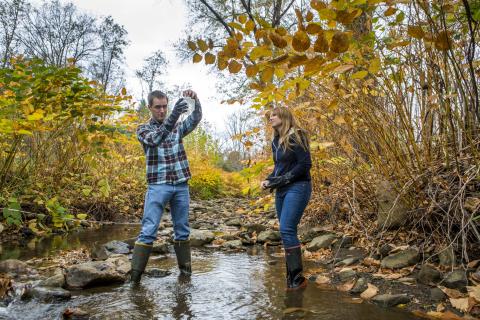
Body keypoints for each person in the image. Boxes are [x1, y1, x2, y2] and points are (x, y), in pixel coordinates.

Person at [131, 89, 202, 283]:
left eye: (165, 106)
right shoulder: (143, 129)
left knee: (182, 230)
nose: (162, 111)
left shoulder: (178, 127)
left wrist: (195, 100)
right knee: (148, 231)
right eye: (158, 107)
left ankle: (185, 277)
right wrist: (174, 116)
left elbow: (195, 119)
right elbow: (156, 139)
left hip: (180, 184)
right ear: (150, 108)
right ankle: (134, 281)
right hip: (158, 185)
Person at [261, 107, 312, 290]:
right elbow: (279, 168)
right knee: (285, 232)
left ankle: (297, 280)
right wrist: (270, 179)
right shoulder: (276, 141)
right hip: (281, 189)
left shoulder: (297, 135)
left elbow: (305, 165)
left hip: (299, 186)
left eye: (273, 115)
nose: (270, 118)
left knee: (287, 229)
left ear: (284, 116)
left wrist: (285, 178)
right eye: (270, 116)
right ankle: (291, 279)